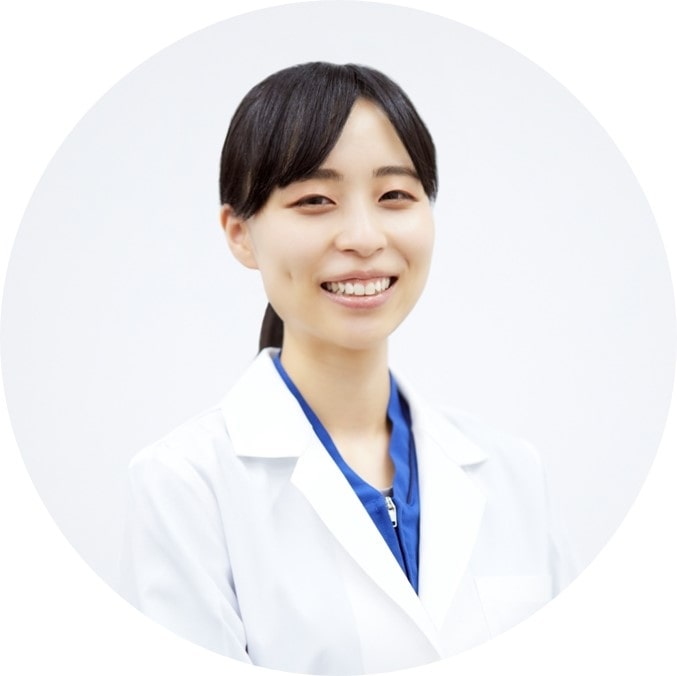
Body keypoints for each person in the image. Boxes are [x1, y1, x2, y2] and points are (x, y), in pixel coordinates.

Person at [120, 62, 576, 675]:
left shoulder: (515, 472)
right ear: (240, 233)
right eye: (315, 200)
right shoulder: (185, 487)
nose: (364, 236)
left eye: (395, 196)